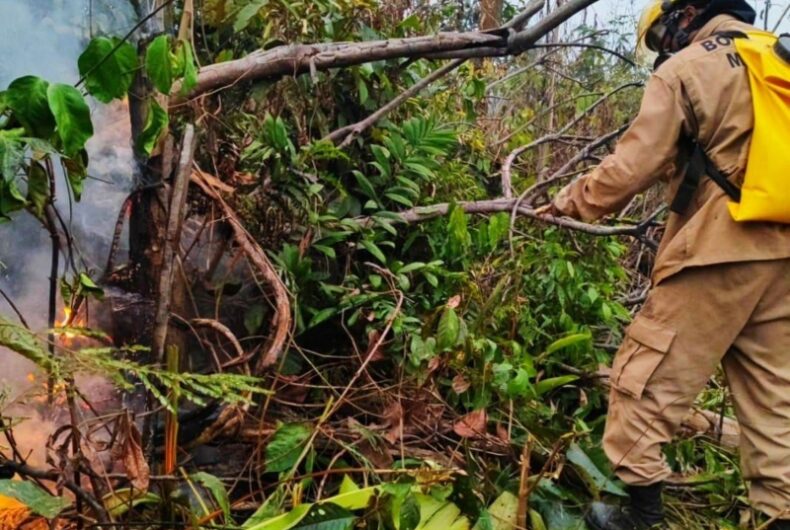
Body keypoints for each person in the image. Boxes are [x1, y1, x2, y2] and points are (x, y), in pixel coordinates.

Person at [537, 0, 790, 528]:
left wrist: (569, 202)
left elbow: (634, 164)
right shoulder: (777, 57)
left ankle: (640, 516)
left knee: (646, 376)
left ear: (688, 13)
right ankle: (777, 515)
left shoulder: (688, 68)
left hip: (722, 247)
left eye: (661, 37)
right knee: (775, 398)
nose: (663, 50)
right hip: (785, 255)